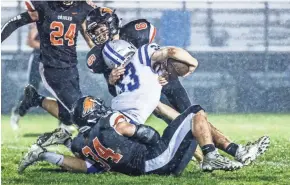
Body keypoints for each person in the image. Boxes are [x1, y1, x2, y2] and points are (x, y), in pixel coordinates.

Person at [18, 40, 270, 175]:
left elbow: (88, 166)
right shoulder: (140, 55)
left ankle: (233, 151)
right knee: (195, 115)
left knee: (190, 121)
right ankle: (212, 157)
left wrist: (47, 155)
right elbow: (171, 53)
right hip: (129, 129)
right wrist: (192, 65)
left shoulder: (115, 85)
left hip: (117, 126)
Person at [85, 7, 192, 123]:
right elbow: (116, 90)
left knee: (189, 110)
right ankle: (188, 130)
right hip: (141, 89)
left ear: (111, 23)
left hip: (160, 77)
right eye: (95, 32)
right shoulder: (100, 55)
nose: (99, 35)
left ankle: (196, 127)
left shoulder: (134, 33)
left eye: (101, 29)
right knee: (169, 116)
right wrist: (111, 80)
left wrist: (164, 69)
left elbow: (156, 51)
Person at [1, 1, 95, 128]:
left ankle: (35, 99)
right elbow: (15, 22)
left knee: (68, 117)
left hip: (71, 67)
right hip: (50, 66)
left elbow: (89, 36)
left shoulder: (83, 7)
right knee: (79, 112)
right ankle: (87, 143)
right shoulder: (46, 5)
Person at [10, 23, 42, 130]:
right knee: (32, 90)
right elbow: (30, 41)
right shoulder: (39, 20)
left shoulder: (61, 17)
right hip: (39, 58)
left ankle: (65, 122)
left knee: (61, 90)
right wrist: (48, 48)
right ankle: (17, 113)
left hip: (55, 59)